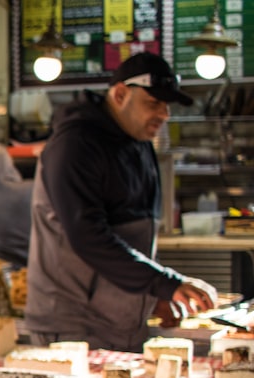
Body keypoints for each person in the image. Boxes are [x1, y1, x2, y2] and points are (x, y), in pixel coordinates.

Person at [24, 52, 218, 352]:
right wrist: (164, 282)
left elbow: (131, 239)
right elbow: (88, 236)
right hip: (73, 327)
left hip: (119, 321)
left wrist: (150, 299)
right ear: (120, 94)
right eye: (153, 103)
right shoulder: (75, 145)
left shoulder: (138, 143)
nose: (164, 114)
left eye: (166, 105)